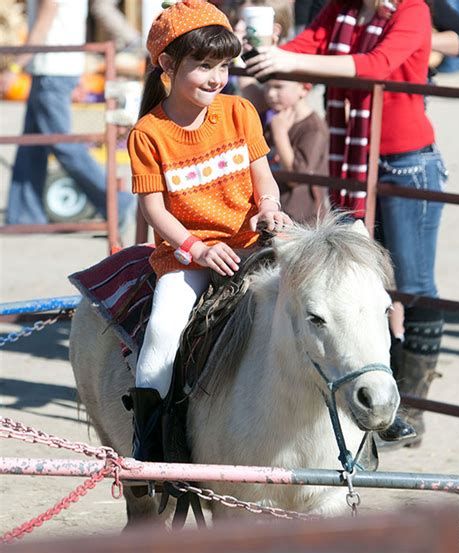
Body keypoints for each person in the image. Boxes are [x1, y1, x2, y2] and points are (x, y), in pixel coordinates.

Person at [245, 0, 448, 446]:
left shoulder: (410, 9)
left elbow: (379, 63)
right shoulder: (340, 9)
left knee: (411, 284)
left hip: (406, 162)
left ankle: (406, 402)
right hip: (355, 160)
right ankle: (368, 389)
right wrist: (262, 50)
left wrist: (291, 60)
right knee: (353, 284)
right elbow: (303, 45)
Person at [124, 0, 291, 463]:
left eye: (222, 65)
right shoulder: (147, 133)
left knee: (321, 296)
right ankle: (150, 444)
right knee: (162, 331)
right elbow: (155, 210)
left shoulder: (240, 111)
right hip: (187, 253)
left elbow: (264, 180)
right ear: (167, 64)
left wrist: (270, 209)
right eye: (202, 66)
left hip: (252, 241)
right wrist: (196, 249)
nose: (216, 77)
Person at [0, 0, 135, 229]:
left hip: (52, 66)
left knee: (61, 142)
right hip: (54, 66)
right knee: (32, 145)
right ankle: (24, 215)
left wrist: (15, 67)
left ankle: (116, 201)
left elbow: (45, 18)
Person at [263, 78, 329, 221]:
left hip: (302, 218)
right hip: (278, 210)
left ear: (304, 89)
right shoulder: (276, 118)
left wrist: (280, 135)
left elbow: (295, 177)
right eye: (267, 86)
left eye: (278, 86)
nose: (270, 93)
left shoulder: (313, 129)